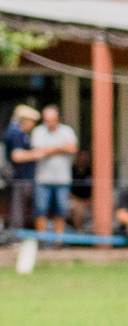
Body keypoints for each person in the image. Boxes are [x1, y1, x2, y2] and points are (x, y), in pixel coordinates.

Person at [30, 103, 77, 245]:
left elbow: (72, 148)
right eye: (46, 119)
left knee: (61, 212)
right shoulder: (38, 131)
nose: (48, 122)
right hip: (42, 179)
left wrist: (49, 150)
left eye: (51, 119)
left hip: (63, 179)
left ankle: (59, 243)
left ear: (58, 119)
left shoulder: (67, 131)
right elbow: (38, 152)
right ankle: (42, 243)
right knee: (40, 211)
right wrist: (61, 148)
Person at [6, 104, 39, 230]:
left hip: (24, 176)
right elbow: (16, 156)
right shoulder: (16, 132)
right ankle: (15, 235)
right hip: (17, 177)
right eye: (32, 121)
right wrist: (38, 153)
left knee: (21, 208)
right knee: (17, 208)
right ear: (25, 120)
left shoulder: (21, 133)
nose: (33, 125)